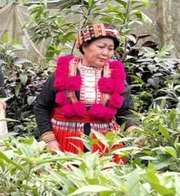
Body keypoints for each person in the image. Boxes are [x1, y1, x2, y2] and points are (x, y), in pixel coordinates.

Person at [34, 23, 138, 155]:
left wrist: (133, 129)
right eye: (101, 47)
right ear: (85, 46)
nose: (105, 53)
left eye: (111, 49)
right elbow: (41, 107)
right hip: (65, 141)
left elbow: (126, 111)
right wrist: (49, 140)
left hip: (104, 143)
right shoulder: (63, 73)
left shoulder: (116, 76)